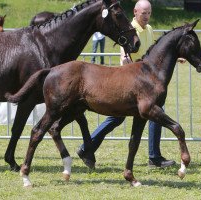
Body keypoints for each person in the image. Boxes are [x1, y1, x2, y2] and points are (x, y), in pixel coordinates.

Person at [77, 0, 185, 169]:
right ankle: (154, 157)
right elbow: (124, 55)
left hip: (145, 83)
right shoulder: (129, 28)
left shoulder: (148, 29)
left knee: (119, 118)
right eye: (144, 13)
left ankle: (86, 148)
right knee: (143, 114)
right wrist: (125, 60)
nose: (147, 16)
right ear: (135, 12)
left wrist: (175, 58)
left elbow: (153, 56)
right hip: (131, 83)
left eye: (149, 13)